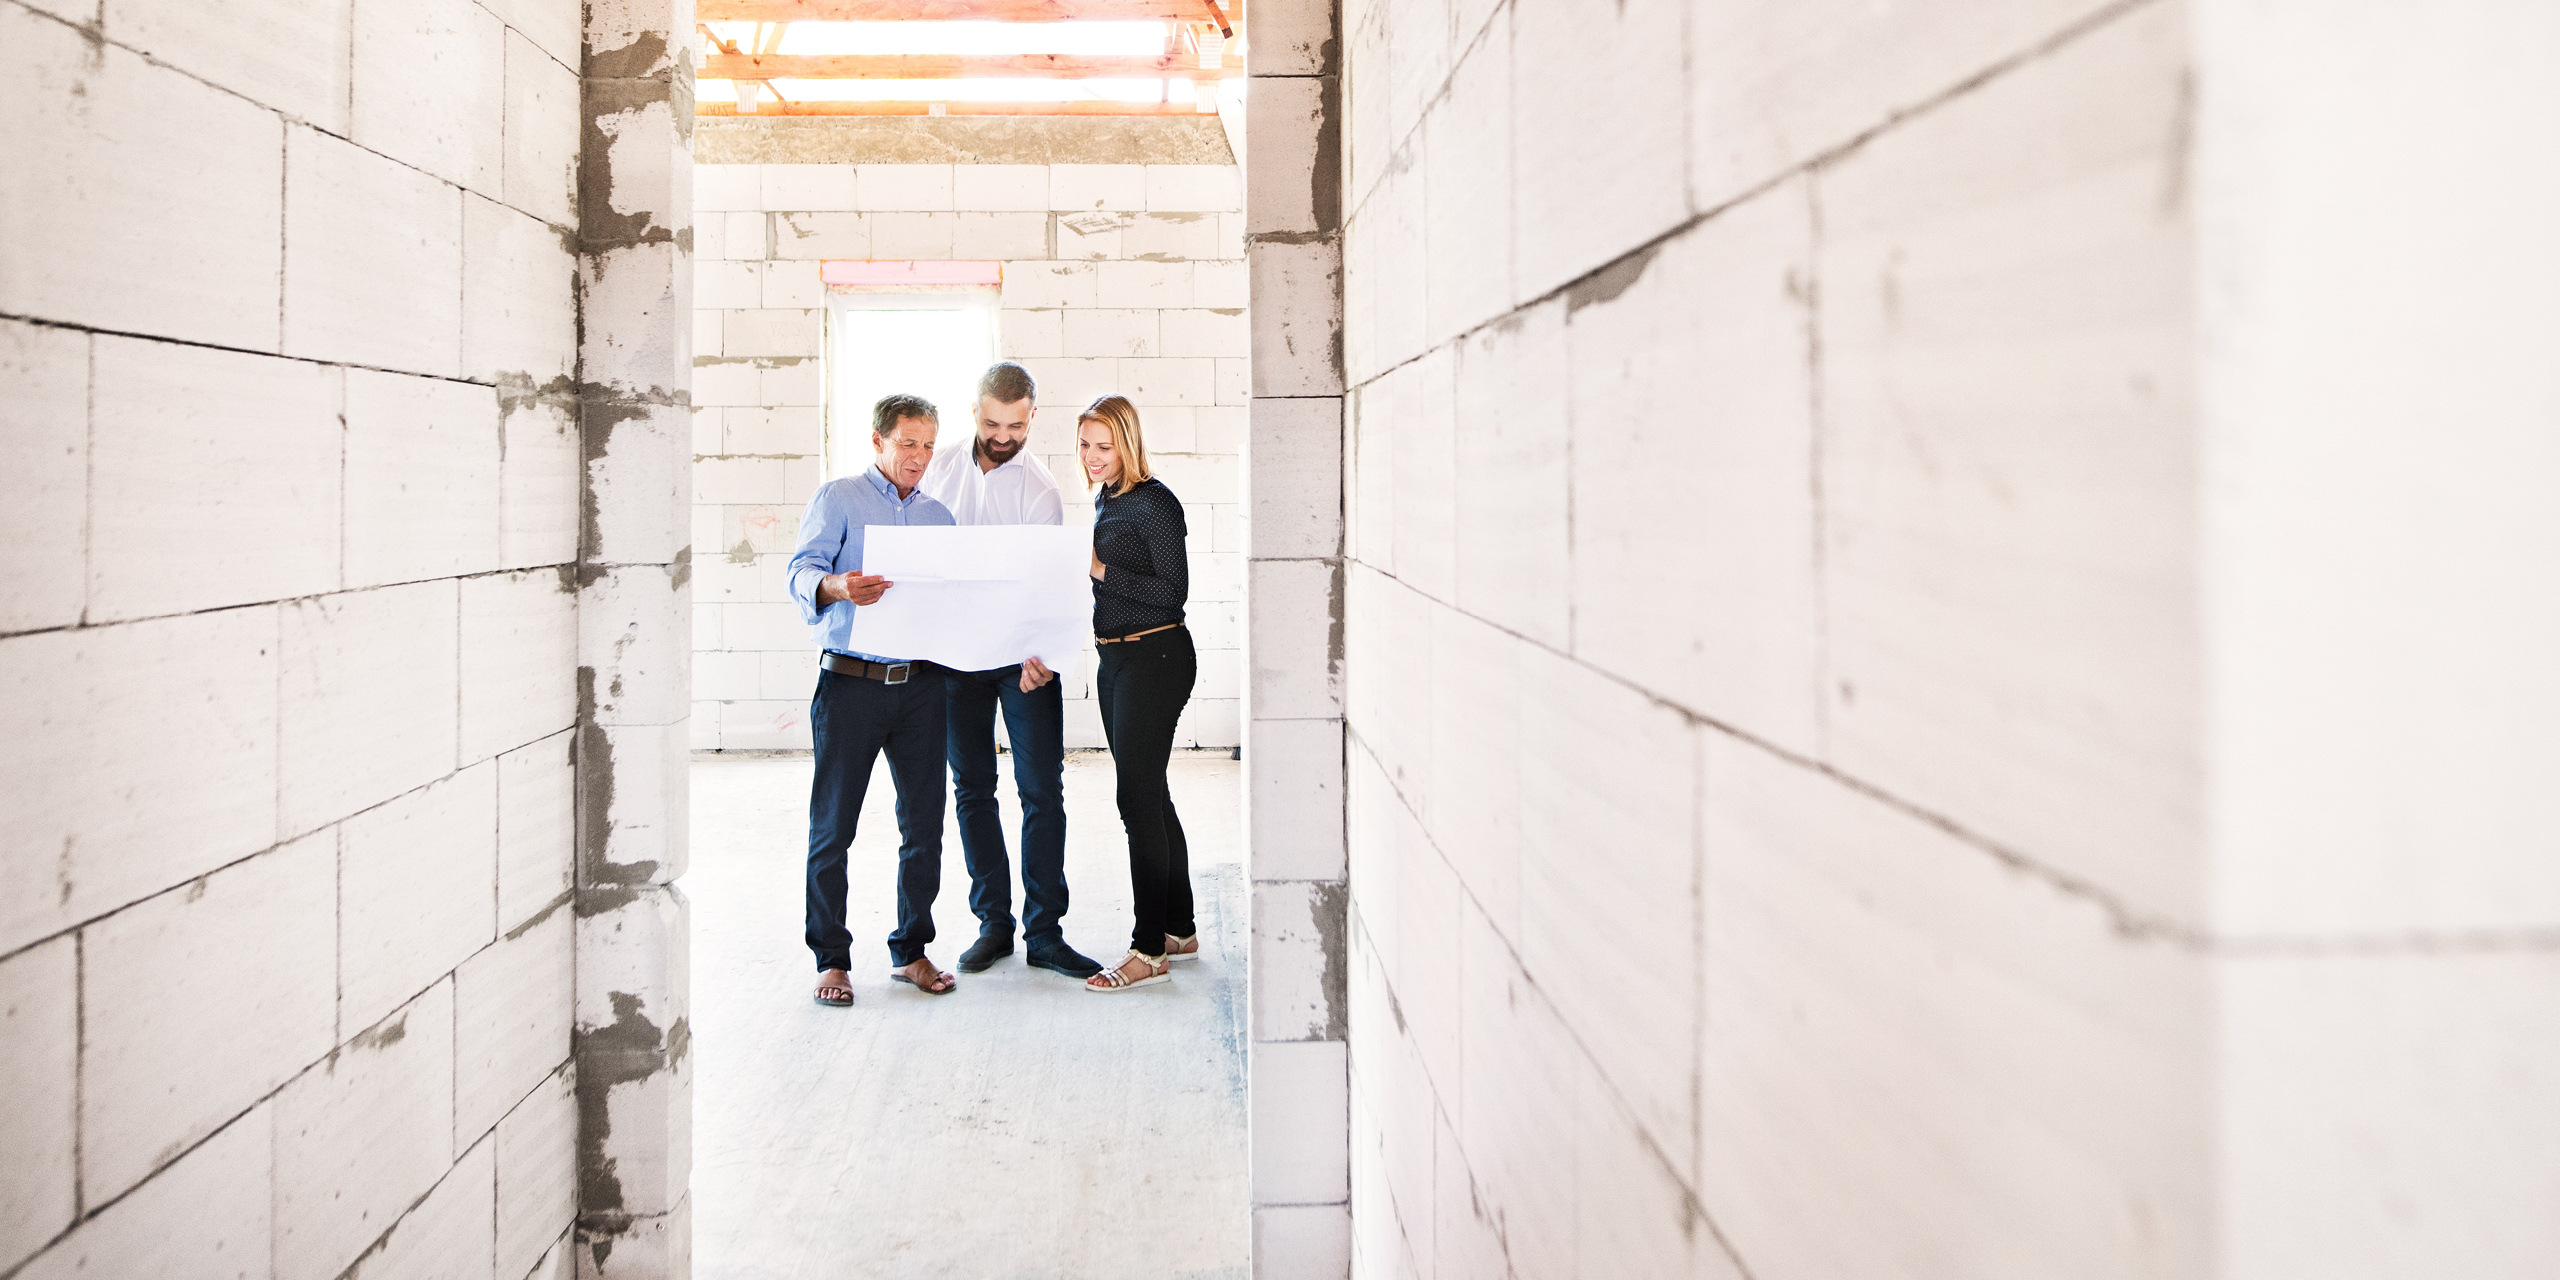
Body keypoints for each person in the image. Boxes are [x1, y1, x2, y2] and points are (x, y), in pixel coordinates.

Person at [916, 363, 1101, 980]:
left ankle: (1045, 933)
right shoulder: (937, 468)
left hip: (1021, 663)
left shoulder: (1041, 489)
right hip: (952, 663)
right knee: (971, 791)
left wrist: (1042, 655)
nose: (1003, 435)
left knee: (1041, 792)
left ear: (1032, 418)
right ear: (974, 413)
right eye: (993, 423)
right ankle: (993, 924)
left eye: (1015, 425)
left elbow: (1046, 583)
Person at [787, 394, 960, 1005]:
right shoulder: (838, 499)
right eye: (908, 442)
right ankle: (831, 959)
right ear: (878, 442)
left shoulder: (941, 518)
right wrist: (836, 586)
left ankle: (911, 950)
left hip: (921, 688)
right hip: (850, 686)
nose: (919, 456)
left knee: (924, 827)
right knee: (834, 828)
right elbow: (800, 572)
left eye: (929, 444)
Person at [1074, 396, 1200, 994]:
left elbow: (1173, 592)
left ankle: (1149, 950)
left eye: (1105, 446)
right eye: (1085, 445)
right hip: (1116, 656)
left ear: (1129, 443)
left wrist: (1099, 570)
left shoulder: (1155, 502)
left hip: (1158, 655)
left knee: (1135, 800)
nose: (1094, 458)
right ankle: (1179, 927)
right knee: (1151, 792)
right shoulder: (1109, 499)